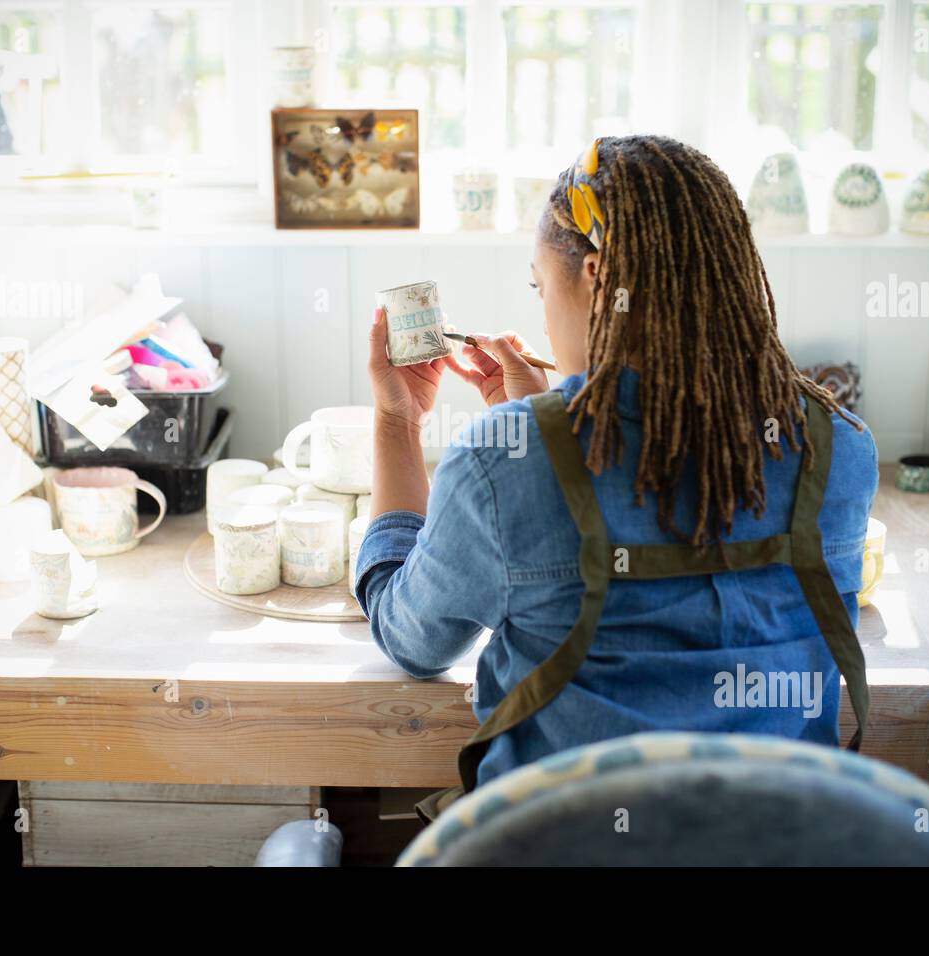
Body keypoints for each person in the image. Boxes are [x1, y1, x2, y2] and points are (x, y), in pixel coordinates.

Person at [354, 135, 878, 814]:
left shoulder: (503, 463)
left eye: (542, 287)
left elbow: (412, 639)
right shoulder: (839, 446)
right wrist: (541, 434)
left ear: (596, 276)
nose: (542, 311)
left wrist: (400, 424)